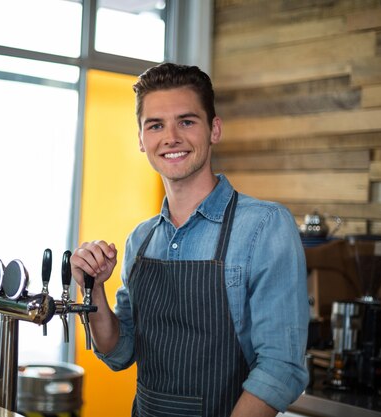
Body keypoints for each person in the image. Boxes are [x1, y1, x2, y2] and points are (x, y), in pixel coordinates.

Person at [70, 62, 309, 417]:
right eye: (155, 125)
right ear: (141, 139)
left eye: (186, 121)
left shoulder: (265, 226)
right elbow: (118, 351)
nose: (171, 138)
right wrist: (93, 288)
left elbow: (281, 367)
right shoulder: (142, 238)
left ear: (214, 129)